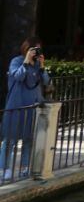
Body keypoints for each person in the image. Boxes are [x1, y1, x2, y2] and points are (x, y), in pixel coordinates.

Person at [1, 38, 49, 180]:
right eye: (33, 49)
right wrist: (26, 61)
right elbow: (18, 76)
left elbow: (46, 81)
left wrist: (42, 66)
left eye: (38, 49)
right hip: (16, 106)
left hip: (33, 107)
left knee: (28, 139)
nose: (35, 52)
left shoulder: (37, 65)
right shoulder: (16, 61)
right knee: (10, 139)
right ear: (26, 49)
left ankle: (24, 168)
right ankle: (4, 169)